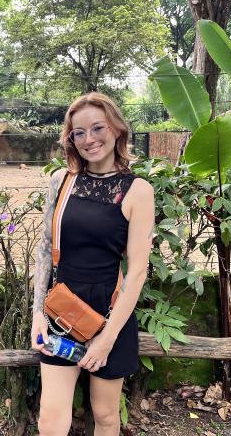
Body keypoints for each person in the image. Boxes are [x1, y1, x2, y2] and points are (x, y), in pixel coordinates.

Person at [31, 92, 155, 436]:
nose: (89, 139)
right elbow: (45, 249)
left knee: (105, 416)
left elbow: (137, 271)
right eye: (79, 133)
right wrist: (37, 313)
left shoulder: (138, 191)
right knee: (50, 421)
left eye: (98, 128)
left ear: (116, 128)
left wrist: (107, 338)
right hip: (60, 311)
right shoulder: (61, 181)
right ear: (71, 139)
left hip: (110, 312)